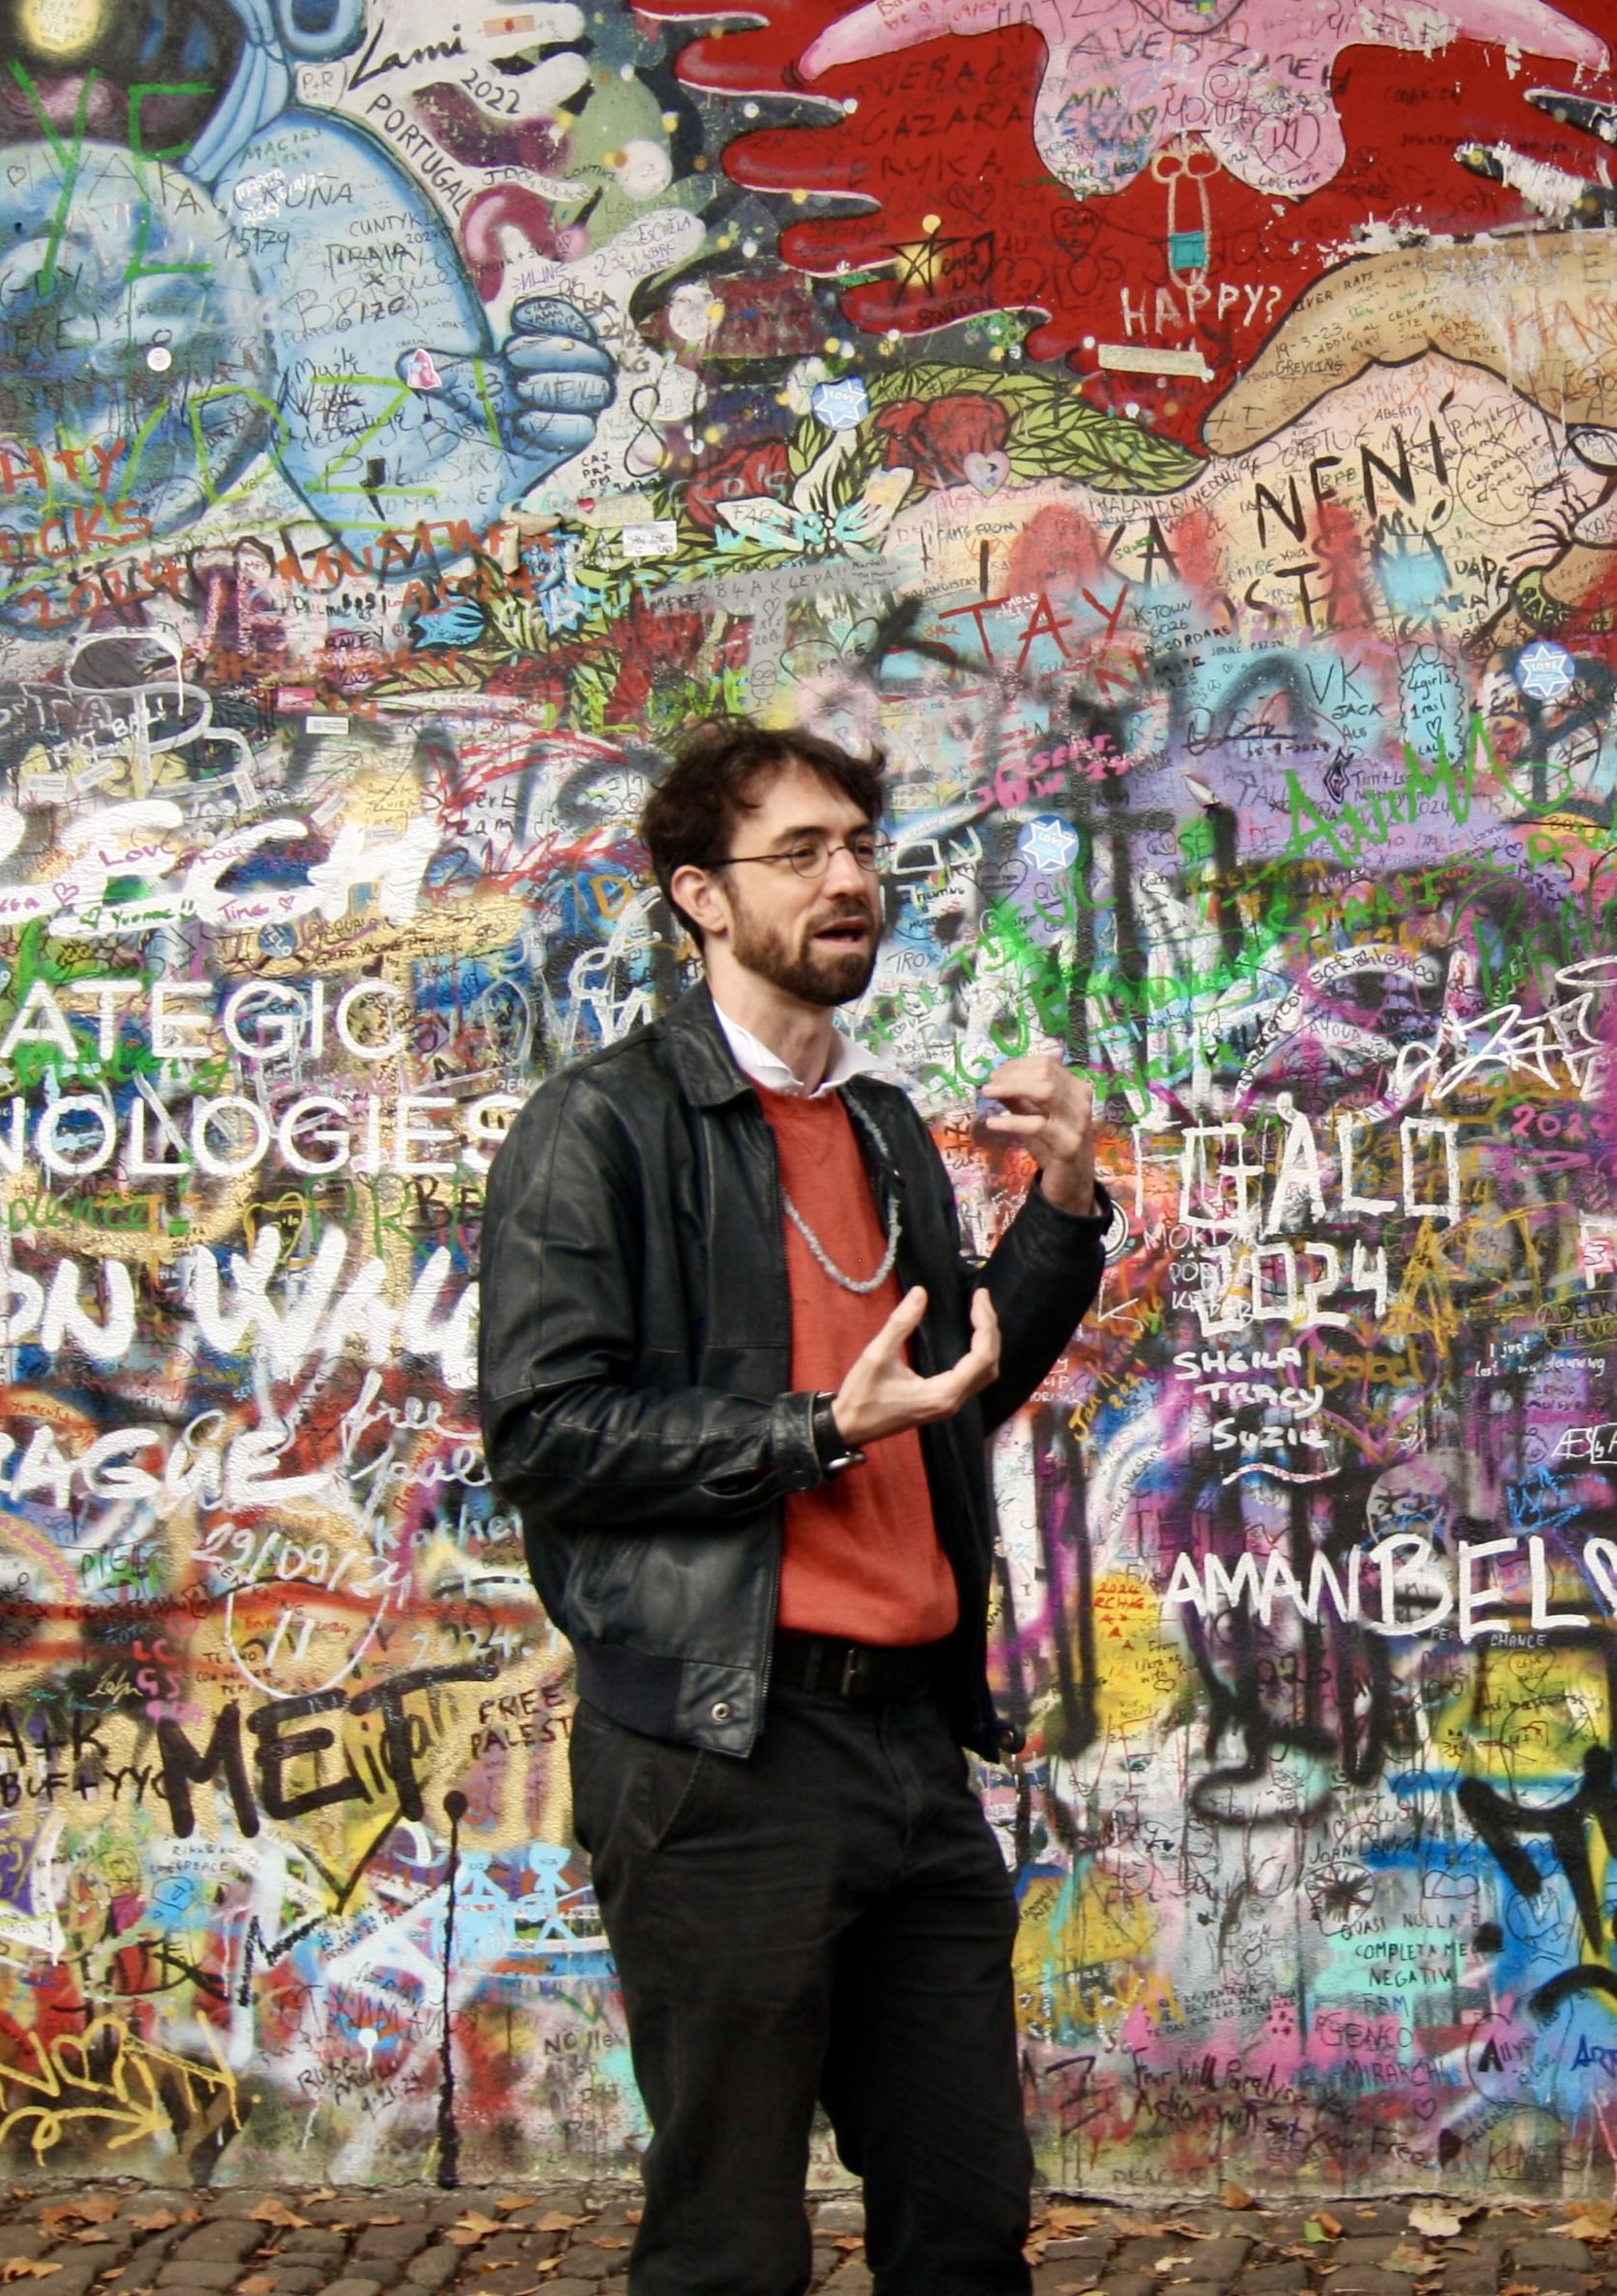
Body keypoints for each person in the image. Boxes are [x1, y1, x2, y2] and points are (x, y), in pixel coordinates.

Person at [482, 721, 1111, 2296]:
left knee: (967, 2221)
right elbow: (549, 1434)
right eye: (801, 853)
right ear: (699, 895)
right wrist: (814, 1428)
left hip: (911, 1745)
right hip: (721, 1756)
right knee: (731, 2242)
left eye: (860, 849)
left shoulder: (884, 1125)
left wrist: (1066, 1204)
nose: (850, 881)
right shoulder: (602, 1129)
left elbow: (954, 1378)